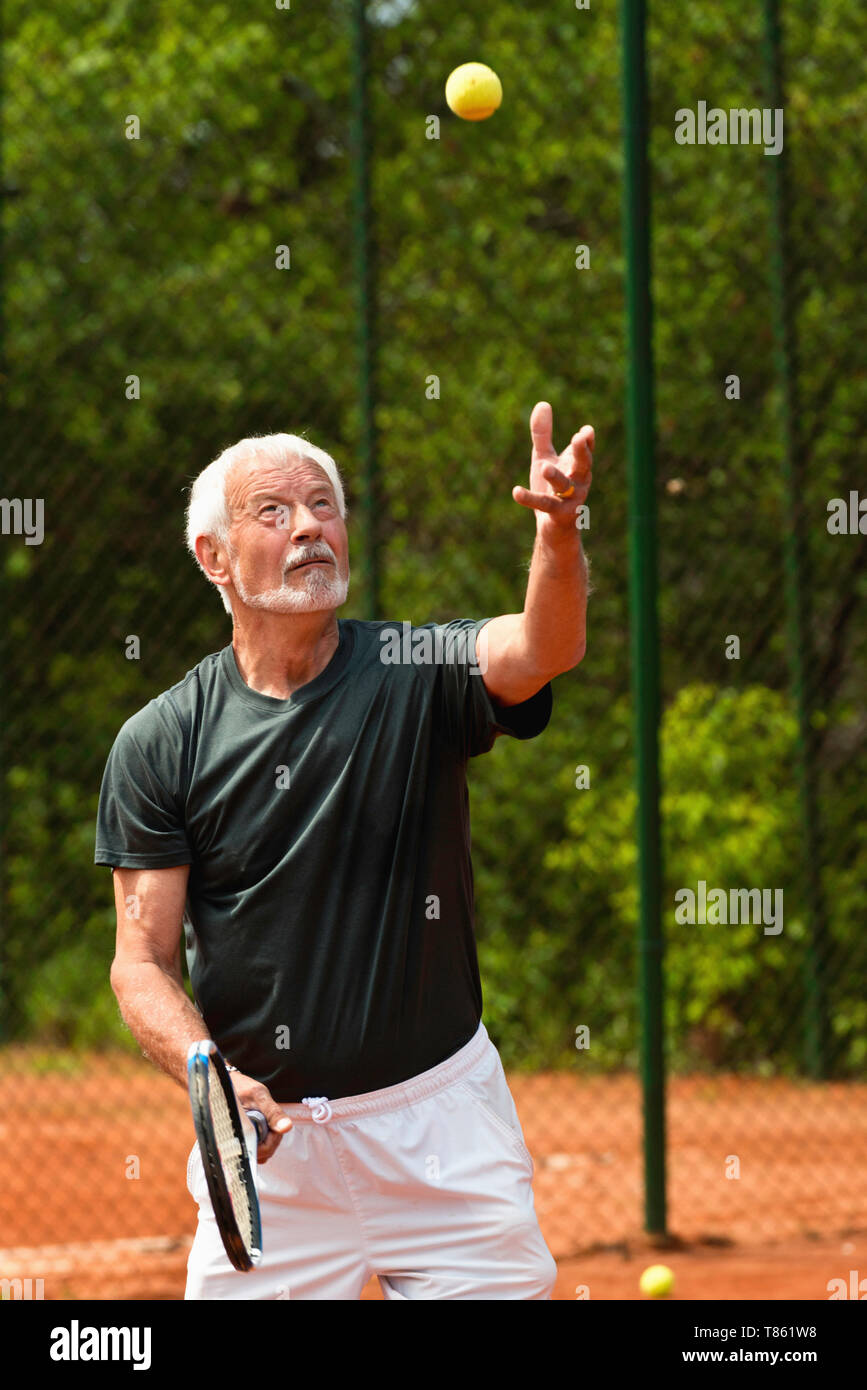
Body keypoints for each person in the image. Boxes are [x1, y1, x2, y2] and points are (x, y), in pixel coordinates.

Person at [95, 401, 593, 1300]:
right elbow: (141, 961)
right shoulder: (160, 741)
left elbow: (539, 648)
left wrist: (557, 532)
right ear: (212, 557)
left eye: (323, 507)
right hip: (269, 1152)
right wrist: (207, 1073)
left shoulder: (411, 666)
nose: (310, 529)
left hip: (443, 1131)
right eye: (274, 512)